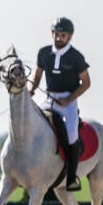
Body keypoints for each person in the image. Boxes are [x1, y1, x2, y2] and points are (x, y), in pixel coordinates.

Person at [30, 16, 91, 191]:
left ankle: (71, 178)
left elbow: (86, 83)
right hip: (48, 98)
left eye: (63, 35)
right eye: (56, 34)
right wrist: (31, 90)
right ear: (52, 33)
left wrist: (68, 99)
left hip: (68, 101)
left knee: (72, 134)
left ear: (69, 36)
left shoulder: (76, 57)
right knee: (32, 122)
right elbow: (37, 76)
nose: (59, 38)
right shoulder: (43, 53)